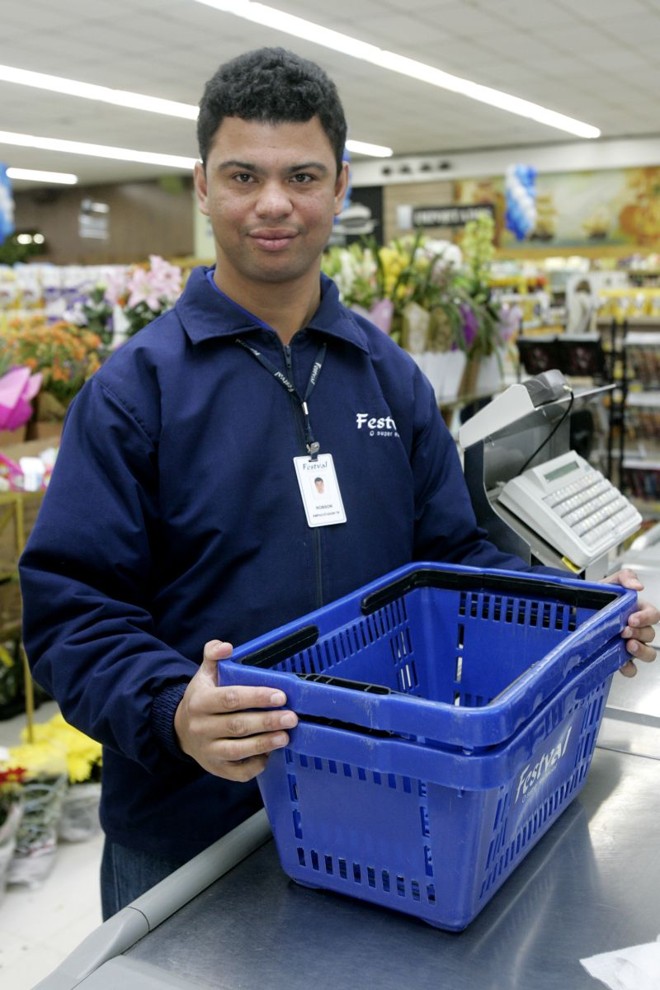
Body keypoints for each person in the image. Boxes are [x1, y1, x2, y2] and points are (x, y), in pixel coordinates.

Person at [19, 47, 658, 920]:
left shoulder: (385, 376)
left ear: (342, 187)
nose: (274, 203)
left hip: (381, 812)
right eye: (244, 175)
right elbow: (72, 608)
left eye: (302, 176)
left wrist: (578, 608)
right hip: (193, 832)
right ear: (203, 186)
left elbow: (453, 554)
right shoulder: (137, 392)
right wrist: (172, 708)